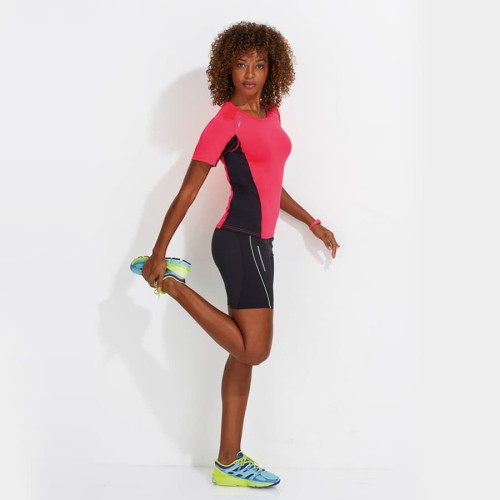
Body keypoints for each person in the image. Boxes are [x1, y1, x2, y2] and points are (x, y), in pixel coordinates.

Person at [139, 21, 340, 488]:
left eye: (259, 64)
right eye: (241, 64)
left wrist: (312, 222)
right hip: (238, 239)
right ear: (226, 68)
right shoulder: (224, 123)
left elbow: (271, 185)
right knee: (255, 349)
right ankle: (170, 283)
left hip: (260, 244)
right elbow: (188, 191)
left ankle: (228, 461)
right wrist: (158, 252)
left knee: (243, 356)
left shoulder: (271, 115)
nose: (250, 74)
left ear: (273, 69)